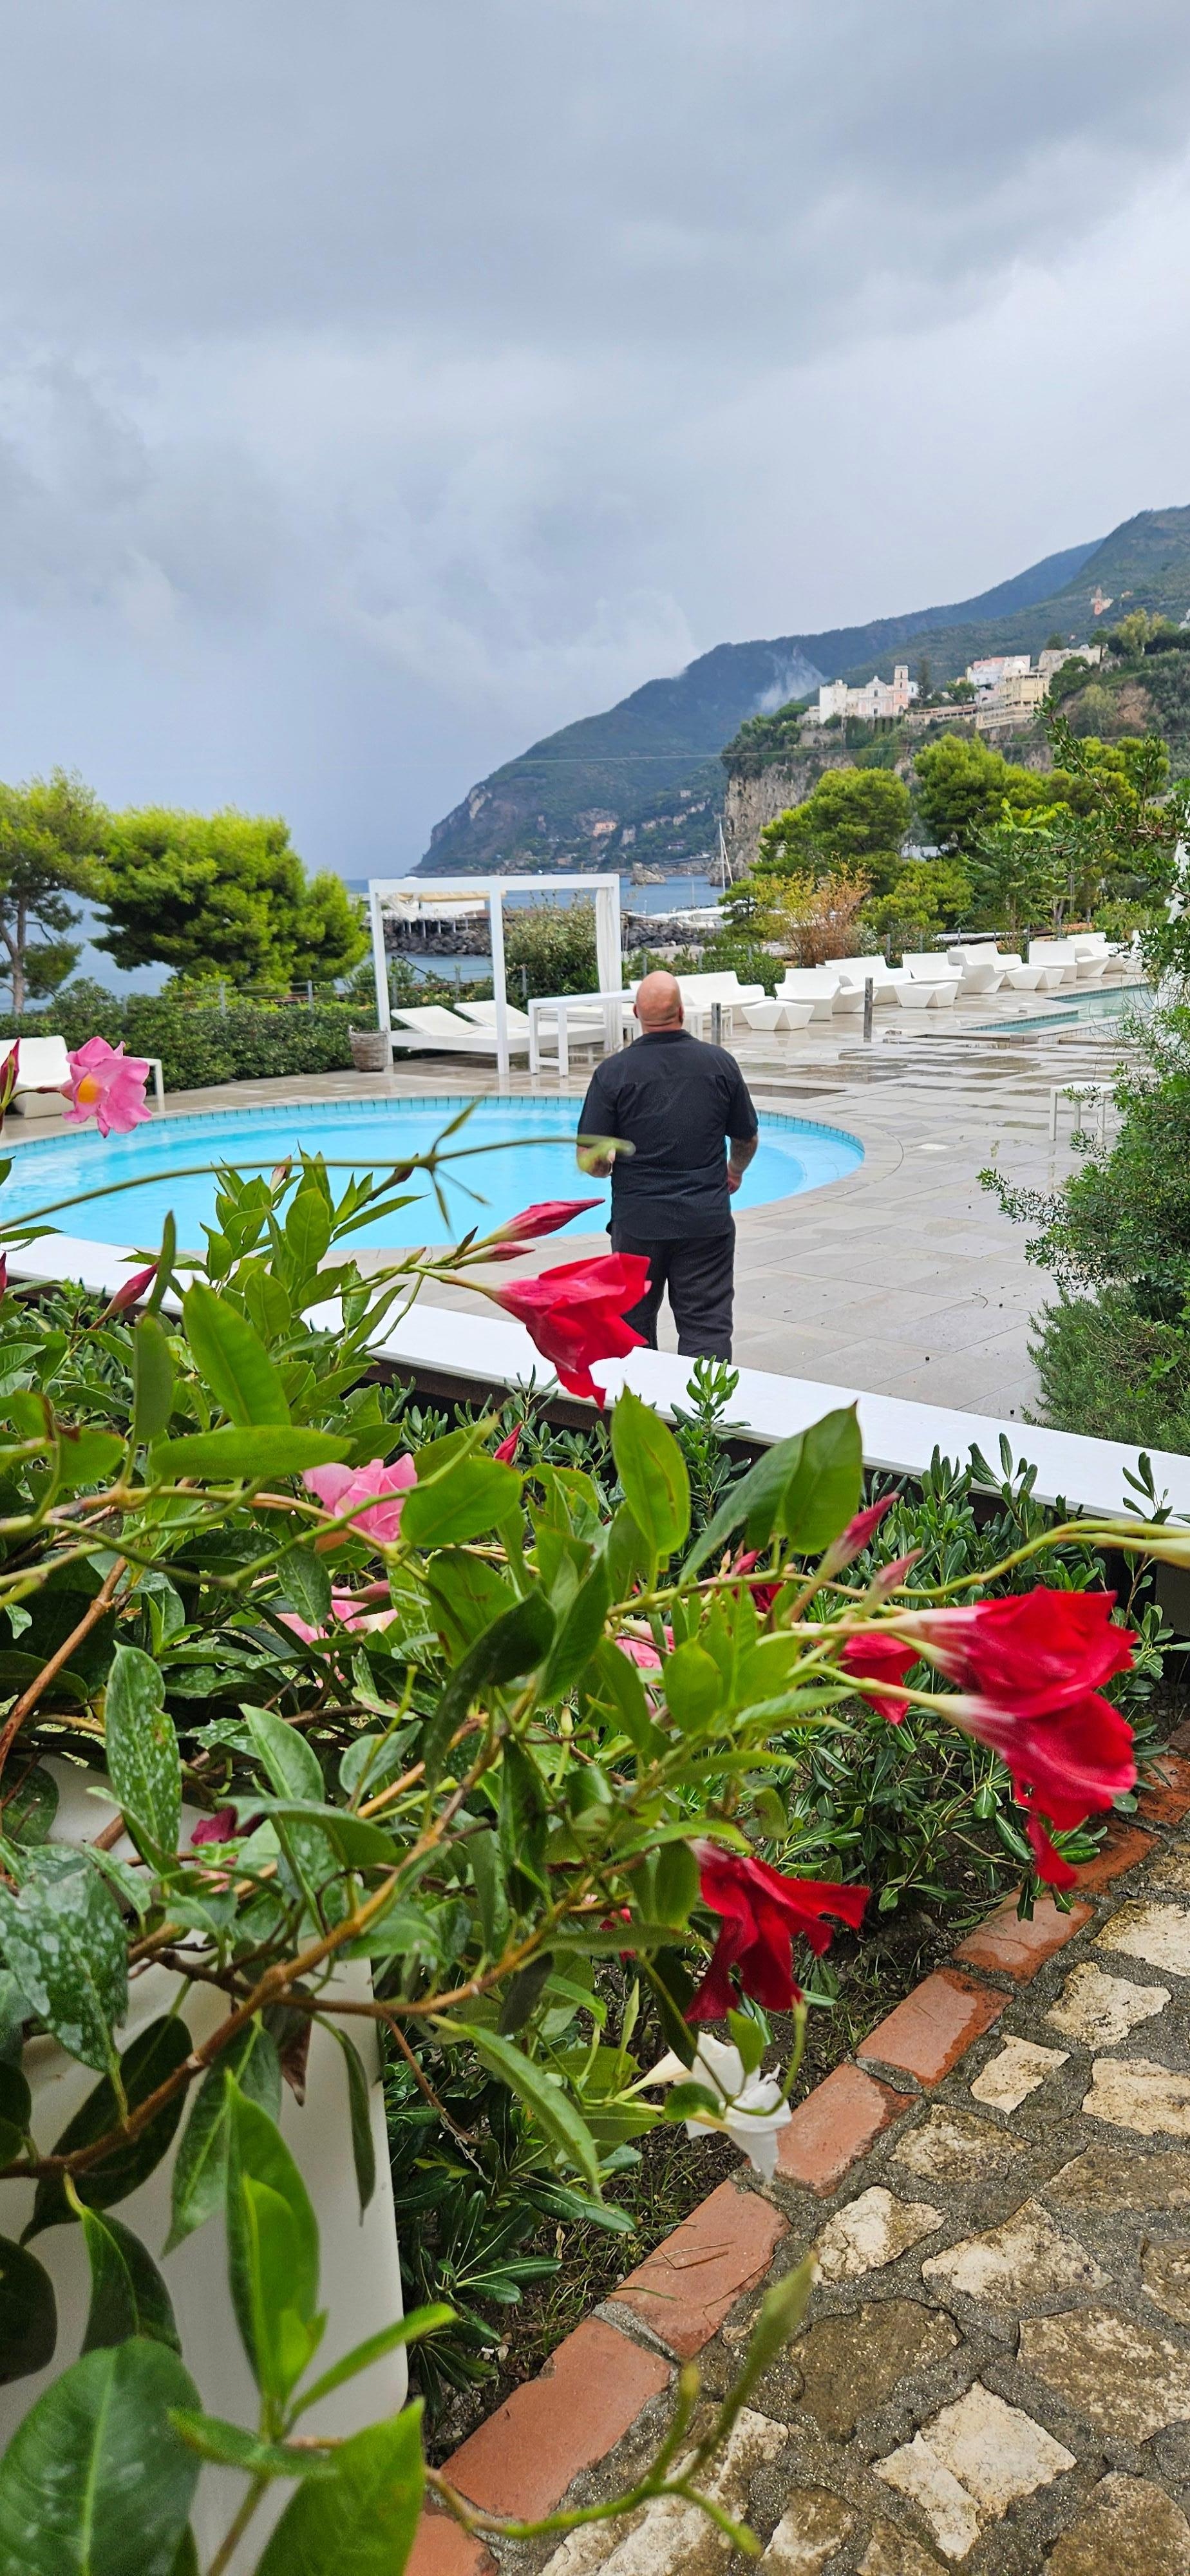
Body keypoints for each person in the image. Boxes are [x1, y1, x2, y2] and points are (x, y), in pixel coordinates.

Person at [576, 969, 758, 1359]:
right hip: (705, 1220)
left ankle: (641, 1398)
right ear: (681, 1012)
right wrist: (734, 1171)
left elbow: (590, 1160)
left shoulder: (613, 1073)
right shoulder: (719, 1064)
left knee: (631, 1329)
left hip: (638, 1224)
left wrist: (607, 1166)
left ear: (636, 1013)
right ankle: (705, 1400)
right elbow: (746, 1138)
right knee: (706, 1326)